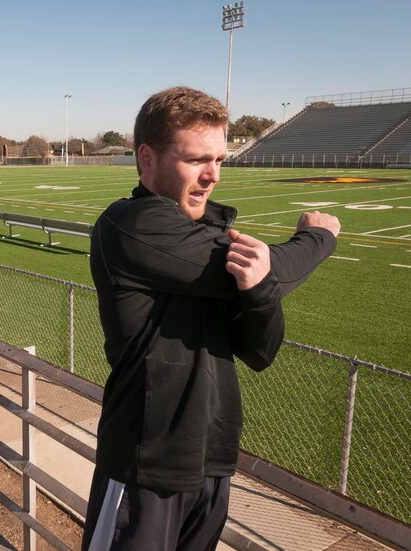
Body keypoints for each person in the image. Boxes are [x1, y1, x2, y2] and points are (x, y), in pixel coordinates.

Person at [82, 87, 340, 550]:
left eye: (220, 160)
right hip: (146, 466)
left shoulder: (206, 236)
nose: (212, 176)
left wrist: (258, 288)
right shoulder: (132, 224)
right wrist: (318, 238)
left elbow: (260, 349)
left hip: (212, 461)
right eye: (197, 160)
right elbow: (274, 270)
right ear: (146, 158)